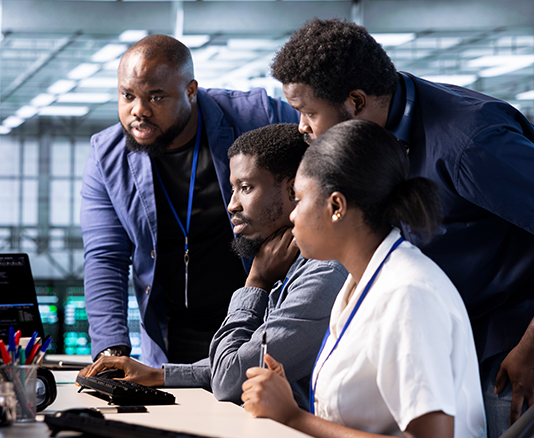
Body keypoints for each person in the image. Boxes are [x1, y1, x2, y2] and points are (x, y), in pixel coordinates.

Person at [268, 18, 534, 438]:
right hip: (486, 310)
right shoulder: (386, 122)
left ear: (357, 101)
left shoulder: (470, 143)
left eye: (309, 112)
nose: (302, 127)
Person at [242, 120, 486, 438]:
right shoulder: (359, 282)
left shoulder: (409, 293)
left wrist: (293, 416)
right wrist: (283, 396)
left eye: (299, 200)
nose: (292, 215)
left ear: (336, 206)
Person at [79, 124, 347, 408]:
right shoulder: (288, 267)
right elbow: (239, 361)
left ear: (293, 190)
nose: (232, 205)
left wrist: (255, 283)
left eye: (246, 188)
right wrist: (159, 375)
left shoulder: (323, 274)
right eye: (233, 189)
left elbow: (230, 379)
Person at [81, 35, 299, 368]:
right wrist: (111, 349)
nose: (138, 111)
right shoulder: (106, 156)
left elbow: (328, 166)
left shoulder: (258, 116)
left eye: (156, 97)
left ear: (191, 91)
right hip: (172, 338)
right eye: (127, 96)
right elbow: (105, 257)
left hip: (261, 320)